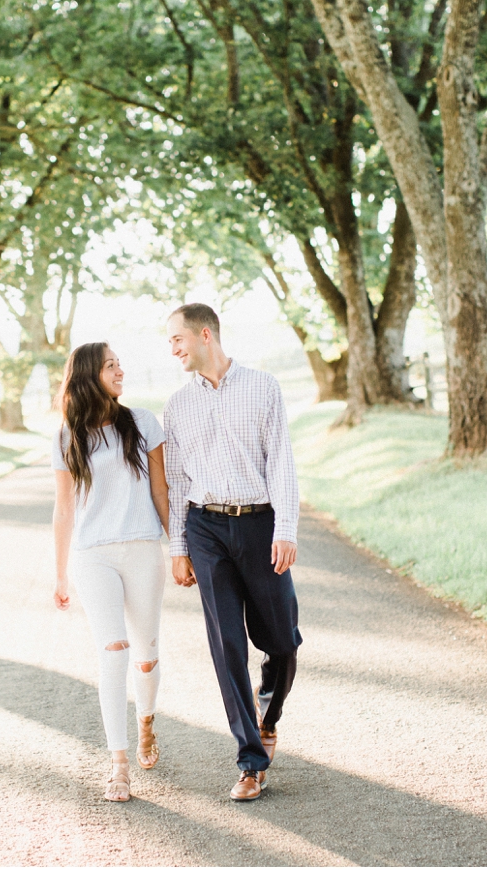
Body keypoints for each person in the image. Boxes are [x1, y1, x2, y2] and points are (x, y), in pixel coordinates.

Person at [162, 303, 302, 802]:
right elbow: (177, 481)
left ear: (204, 335)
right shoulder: (177, 405)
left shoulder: (263, 387)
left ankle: (269, 713)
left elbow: (281, 460)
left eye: (177, 339)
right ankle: (250, 760)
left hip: (260, 523)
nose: (173, 350)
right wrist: (178, 547)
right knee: (227, 647)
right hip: (206, 528)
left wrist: (285, 527)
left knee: (283, 641)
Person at [51, 341, 172, 802]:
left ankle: (146, 721)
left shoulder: (142, 422)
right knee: (113, 651)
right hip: (92, 555)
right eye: (110, 365)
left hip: (142, 548)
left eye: (121, 363)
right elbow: (64, 510)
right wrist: (60, 574)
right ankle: (118, 764)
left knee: (146, 652)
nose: (121, 370)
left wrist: (179, 548)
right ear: (88, 376)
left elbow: (161, 491)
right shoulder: (67, 436)